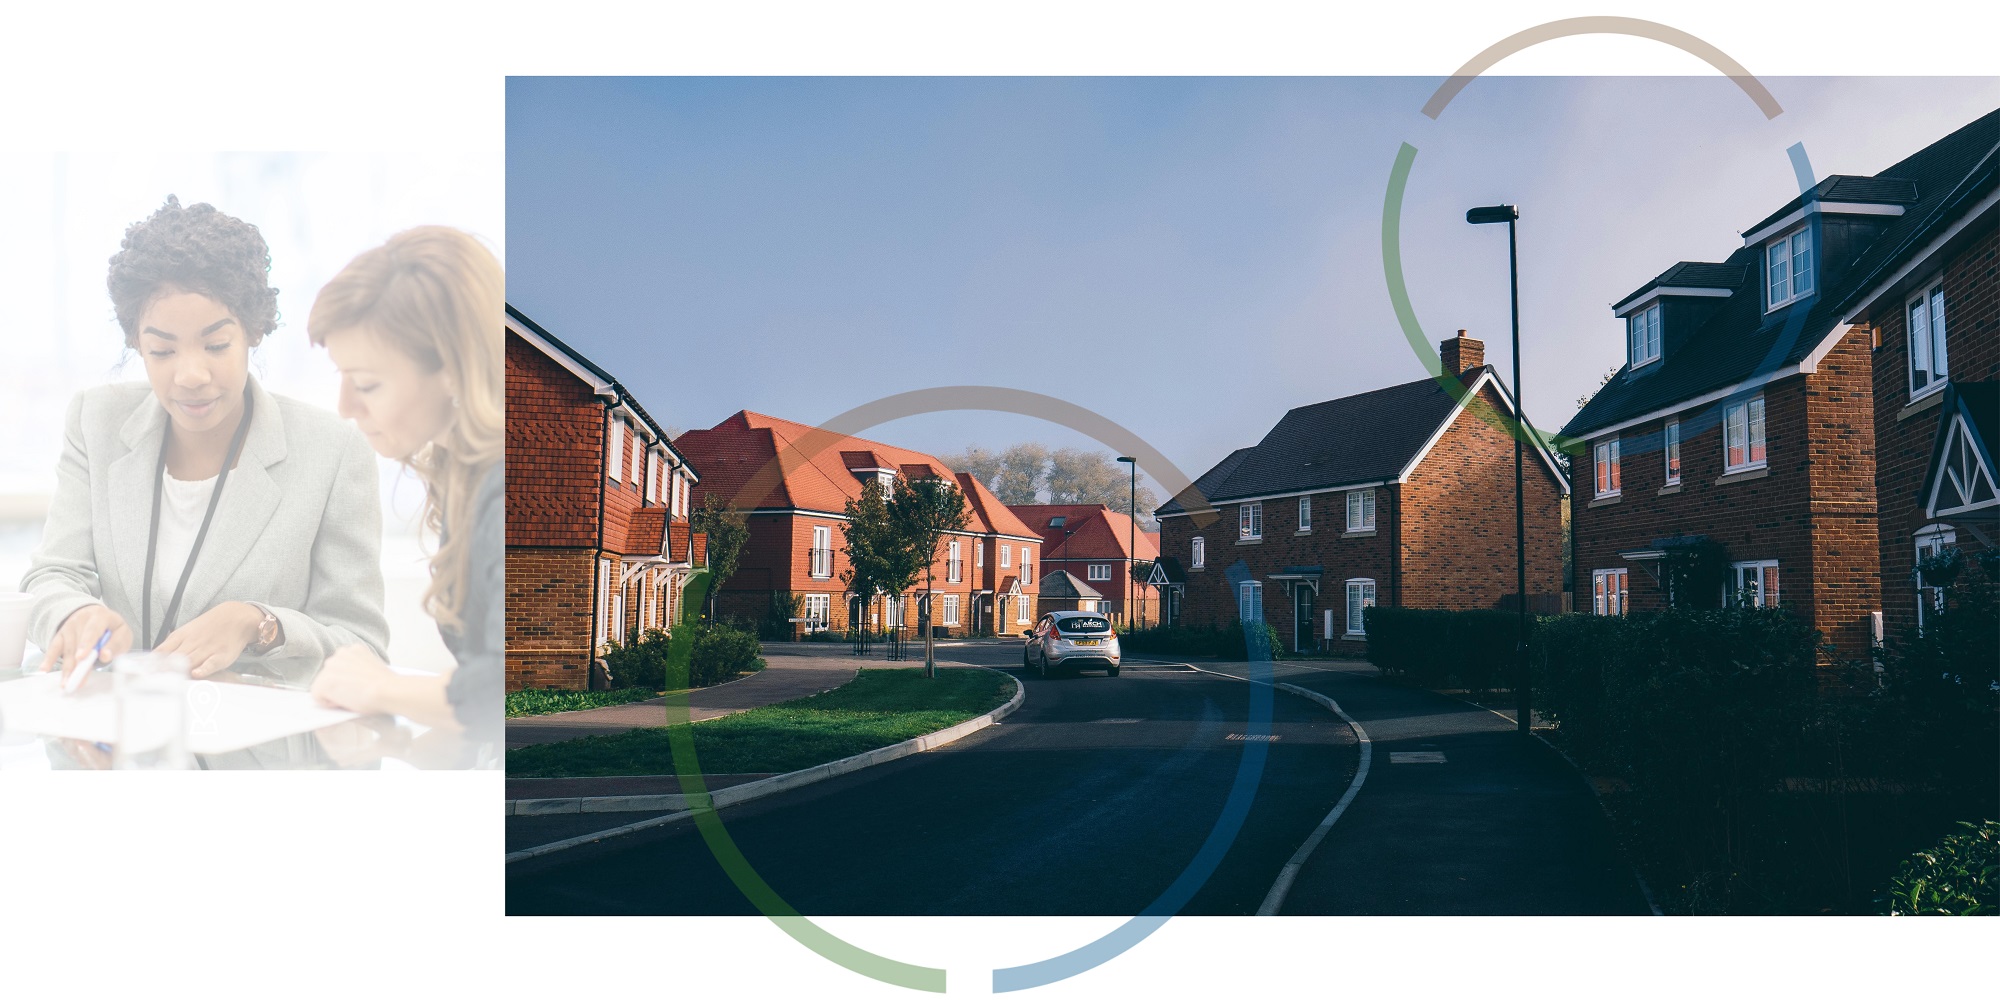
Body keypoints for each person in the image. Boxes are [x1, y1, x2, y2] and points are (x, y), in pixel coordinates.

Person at [22, 196, 389, 686]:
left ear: (254, 331)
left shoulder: (333, 453)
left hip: (261, 754)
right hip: (120, 740)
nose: (190, 374)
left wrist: (259, 623)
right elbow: (53, 576)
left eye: (216, 345)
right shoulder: (96, 421)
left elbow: (363, 648)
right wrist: (73, 614)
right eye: (162, 350)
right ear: (137, 342)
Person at [305, 226, 502, 734]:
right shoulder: (461, 477)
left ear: (453, 370)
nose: (346, 408)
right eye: (342, 379)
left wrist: (382, 687)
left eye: (367, 383)